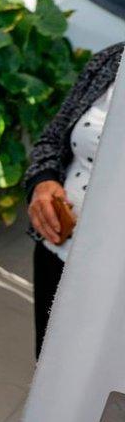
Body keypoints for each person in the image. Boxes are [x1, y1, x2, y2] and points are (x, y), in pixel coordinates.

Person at [25, 41, 123, 358]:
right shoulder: (111, 59)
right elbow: (52, 139)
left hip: (114, 284)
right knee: (47, 371)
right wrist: (43, 182)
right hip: (59, 251)